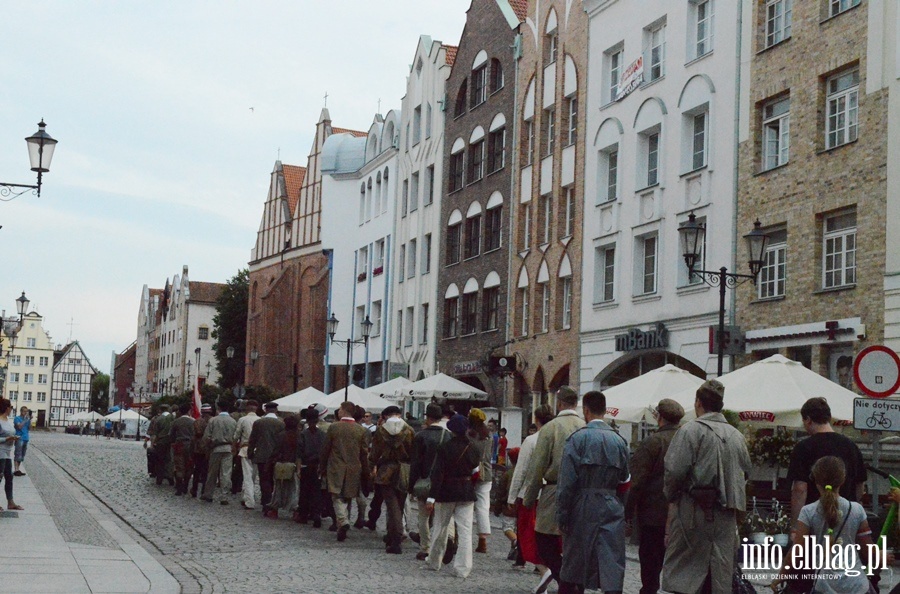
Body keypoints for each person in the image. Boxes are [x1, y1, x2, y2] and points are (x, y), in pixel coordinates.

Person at [662, 379, 752, 594]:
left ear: (699, 403)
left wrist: (671, 496)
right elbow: (746, 473)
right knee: (718, 574)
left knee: (687, 573)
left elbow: (674, 471)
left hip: (694, 511)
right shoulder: (737, 436)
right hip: (727, 515)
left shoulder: (690, 431)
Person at [556, 391, 630, 594]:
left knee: (574, 561)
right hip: (611, 503)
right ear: (605, 411)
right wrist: (620, 506)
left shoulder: (577, 439)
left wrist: (562, 515)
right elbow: (625, 480)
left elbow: (566, 483)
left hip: (582, 503)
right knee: (611, 558)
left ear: (585, 410)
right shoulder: (620, 442)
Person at [782, 456, 878, 593]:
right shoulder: (857, 510)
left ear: (815, 480)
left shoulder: (808, 511)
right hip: (856, 586)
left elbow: (797, 550)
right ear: (843, 480)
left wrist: (781, 575)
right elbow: (868, 550)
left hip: (824, 586)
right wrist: (880, 555)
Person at [522, 386, 585, 592]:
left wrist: (528, 499)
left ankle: (565, 581)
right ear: (576, 403)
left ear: (559, 403)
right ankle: (575, 584)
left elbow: (537, 467)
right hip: (582, 493)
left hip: (554, 491)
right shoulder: (586, 426)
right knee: (575, 545)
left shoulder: (551, 428)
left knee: (545, 542)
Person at [625, 398, 685, 594]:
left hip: (652, 515)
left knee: (650, 568)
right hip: (682, 514)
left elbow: (637, 482)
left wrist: (627, 511)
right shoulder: (687, 439)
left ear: (659, 417)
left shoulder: (653, 442)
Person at [786, 397, 866, 528]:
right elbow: (859, 485)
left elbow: (800, 490)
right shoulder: (851, 446)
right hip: (845, 519)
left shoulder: (803, 447)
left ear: (808, 419)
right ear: (828, 418)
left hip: (813, 520)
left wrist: (795, 526)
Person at [424, 413, 482, 578]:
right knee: (465, 531)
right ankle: (463, 568)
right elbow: (475, 471)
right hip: (466, 491)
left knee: (440, 528)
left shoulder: (444, 448)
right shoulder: (474, 448)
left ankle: (434, 561)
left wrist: (431, 497)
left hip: (446, 491)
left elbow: (438, 474)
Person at [509, 405, 554, 588]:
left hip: (532, 494)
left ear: (536, 420)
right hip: (553, 494)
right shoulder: (558, 438)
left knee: (529, 536)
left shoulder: (531, 440)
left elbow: (521, 471)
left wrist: (512, 497)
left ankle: (545, 571)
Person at [319, 400, 370, 542]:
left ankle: (343, 521)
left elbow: (326, 449)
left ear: (344, 410)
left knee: (336, 495)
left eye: (340, 409)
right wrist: (366, 471)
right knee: (347, 497)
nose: (339, 411)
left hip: (336, 466)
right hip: (354, 468)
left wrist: (322, 466)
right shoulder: (361, 430)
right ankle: (343, 524)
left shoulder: (334, 427)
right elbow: (364, 453)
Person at [408, 403, 450, 560]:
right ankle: (442, 545)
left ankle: (425, 547)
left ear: (428, 418)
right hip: (443, 482)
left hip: (424, 481)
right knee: (442, 517)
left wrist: (411, 485)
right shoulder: (447, 436)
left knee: (423, 516)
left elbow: (416, 463)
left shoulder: (421, 436)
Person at [370, 405, 414, 554]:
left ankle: (395, 537)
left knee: (392, 505)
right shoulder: (409, 430)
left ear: (386, 416)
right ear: (399, 414)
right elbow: (414, 451)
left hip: (386, 470)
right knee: (399, 504)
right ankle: (392, 534)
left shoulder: (381, 431)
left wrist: (372, 466)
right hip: (404, 469)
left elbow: (375, 453)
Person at [249, 401, 286, 517]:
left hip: (262, 455)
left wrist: (250, 452)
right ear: (276, 410)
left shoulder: (259, 423)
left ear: (265, 410)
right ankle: (273, 503)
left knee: (264, 480)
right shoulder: (281, 424)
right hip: (276, 456)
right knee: (274, 480)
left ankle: (266, 502)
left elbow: (253, 439)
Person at [297, 404, 328, 527]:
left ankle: (303, 515)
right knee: (317, 491)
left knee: (304, 491)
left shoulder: (303, 434)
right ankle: (316, 514)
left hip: (306, 465)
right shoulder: (322, 434)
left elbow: (299, 453)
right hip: (318, 466)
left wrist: (298, 469)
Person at [201, 402, 238, 505]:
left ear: (218, 409)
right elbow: (235, 436)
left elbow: (207, 437)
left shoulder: (213, 420)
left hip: (216, 448)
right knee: (226, 473)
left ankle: (208, 494)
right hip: (228, 448)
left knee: (212, 472)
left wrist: (206, 448)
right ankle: (224, 496)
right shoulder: (233, 421)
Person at [468, 408, 493, 554]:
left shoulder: (470, 435)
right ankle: (482, 540)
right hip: (487, 472)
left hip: (471, 471)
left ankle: (460, 537)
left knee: (466, 505)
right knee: (483, 506)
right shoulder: (488, 436)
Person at [268, 414, 300, 518]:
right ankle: (295, 509)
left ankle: (275, 509)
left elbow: (275, 450)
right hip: (295, 464)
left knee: (279, 487)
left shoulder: (281, 435)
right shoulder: (300, 435)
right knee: (294, 489)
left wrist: (270, 462)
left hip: (281, 464)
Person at [492, 446, 519, 561]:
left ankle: (515, 542)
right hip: (523, 505)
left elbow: (501, 491)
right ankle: (514, 551)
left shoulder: (508, 474)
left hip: (509, 505)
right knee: (518, 529)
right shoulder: (527, 472)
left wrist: (497, 506)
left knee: (508, 528)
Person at [232, 400, 260, 510]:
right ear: (256, 408)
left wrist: (234, 447)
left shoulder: (243, 420)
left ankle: (249, 500)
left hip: (245, 449)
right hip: (258, 450)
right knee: (253, 476)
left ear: (247, 408)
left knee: (247, 476)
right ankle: (247, 496)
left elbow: (236, 435)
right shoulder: (260, 420)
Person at [0, 398, 22, 511]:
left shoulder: (7, 421)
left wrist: (14, 438)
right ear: (7, 408)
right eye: (11, 407)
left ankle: (10, 502)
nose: (11, 409)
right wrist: (6, 439)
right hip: (0, 453)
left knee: (9, 477)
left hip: (7, 453)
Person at [170, 403, 195, 496]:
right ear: (189, 411)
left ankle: (179, 488)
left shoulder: (176, 422)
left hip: (179, 445)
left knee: (179, 466)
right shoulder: (193, 421)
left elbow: (171, 435)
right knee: (189, 465)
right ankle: (186, 486)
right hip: (190, 446)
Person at [189, 404, 213, 497]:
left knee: (197, 470)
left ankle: (194, 489)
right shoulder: (213, 421)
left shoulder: (197, 422)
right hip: (210, 449)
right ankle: (204, 490)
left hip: (198, 449)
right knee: (207, 471)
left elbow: (194, 436)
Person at [151, 405, 175, 486]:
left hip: (161, 442)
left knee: (160, 461)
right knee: (169, 460)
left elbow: (155, 433)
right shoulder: (172, 417)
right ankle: (170, 477)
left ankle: (159, 479)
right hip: (170, 441)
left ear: (160, 410)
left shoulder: (158, 419)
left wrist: (153, 443)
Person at [13, 406, 31, 476]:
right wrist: (25, 420)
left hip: (26, 438)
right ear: (21, 411)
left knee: (22, 455)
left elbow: (29, 428)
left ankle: (18, 469)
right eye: (24, 411)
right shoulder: (17, 418)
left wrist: (29, 421)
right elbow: (19, 426)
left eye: (26, 411)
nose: (25, 413)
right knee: (18, 454)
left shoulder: (27, 419)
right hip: (19, 438)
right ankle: (16, 470)